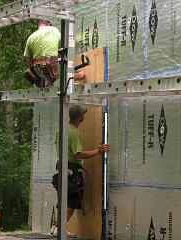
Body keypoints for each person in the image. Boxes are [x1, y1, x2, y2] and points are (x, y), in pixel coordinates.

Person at [51, 105, 109, 236]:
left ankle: (56, 228)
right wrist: (98, 151)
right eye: (83, 114)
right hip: (71, 170)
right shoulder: (73, 132)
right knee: (71, 202)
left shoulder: (62, 129)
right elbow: (78, 154)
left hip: (62, 168)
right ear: (80, 117)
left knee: (63, 200)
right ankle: (60, 229)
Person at [23, 20, 85, 88]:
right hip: (53, 67)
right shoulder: (53, 30)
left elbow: (28, 61)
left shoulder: (31, 37)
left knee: (49, 83)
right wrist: (80, 42)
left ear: (39, 27)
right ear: (49, 24)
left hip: (39, 70)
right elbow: (69, 42)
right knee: (81, 75)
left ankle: (46, 80)